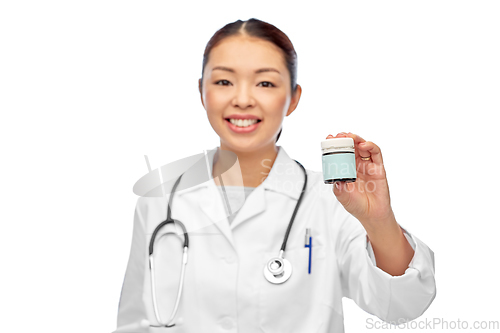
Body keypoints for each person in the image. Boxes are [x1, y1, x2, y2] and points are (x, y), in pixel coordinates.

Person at [113, 18, 436, 333]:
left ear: (293, 98)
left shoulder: (332, 202)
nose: (242, 99)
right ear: (201, 91)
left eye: (265, 83)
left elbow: (402, 306)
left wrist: (379, 220)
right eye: (224, 81)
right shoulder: (159, 203)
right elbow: (133, 322)